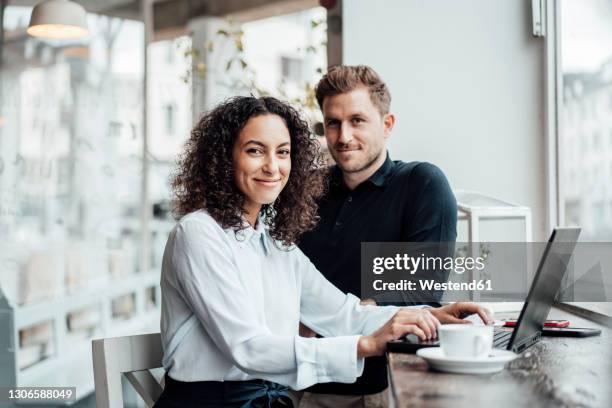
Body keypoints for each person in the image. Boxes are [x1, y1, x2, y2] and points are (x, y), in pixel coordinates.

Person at [153, 95, 464, 408]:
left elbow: (343, 314)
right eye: (255, 150)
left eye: (283, 152)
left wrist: (426, 316)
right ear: (224, 159)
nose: (272, 166)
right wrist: (366, 345)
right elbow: (248, 348)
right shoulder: (198, 232)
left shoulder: (275, 243)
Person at [296, 65, 489, 407]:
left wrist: (323, 317)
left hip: (390, 384)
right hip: (310, 382)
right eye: (333, 123)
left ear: (387, 126)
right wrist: (368, 304)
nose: (343, 137)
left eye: (357, 120)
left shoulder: (422, 183)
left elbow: (418, 291)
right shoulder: (305, 192)